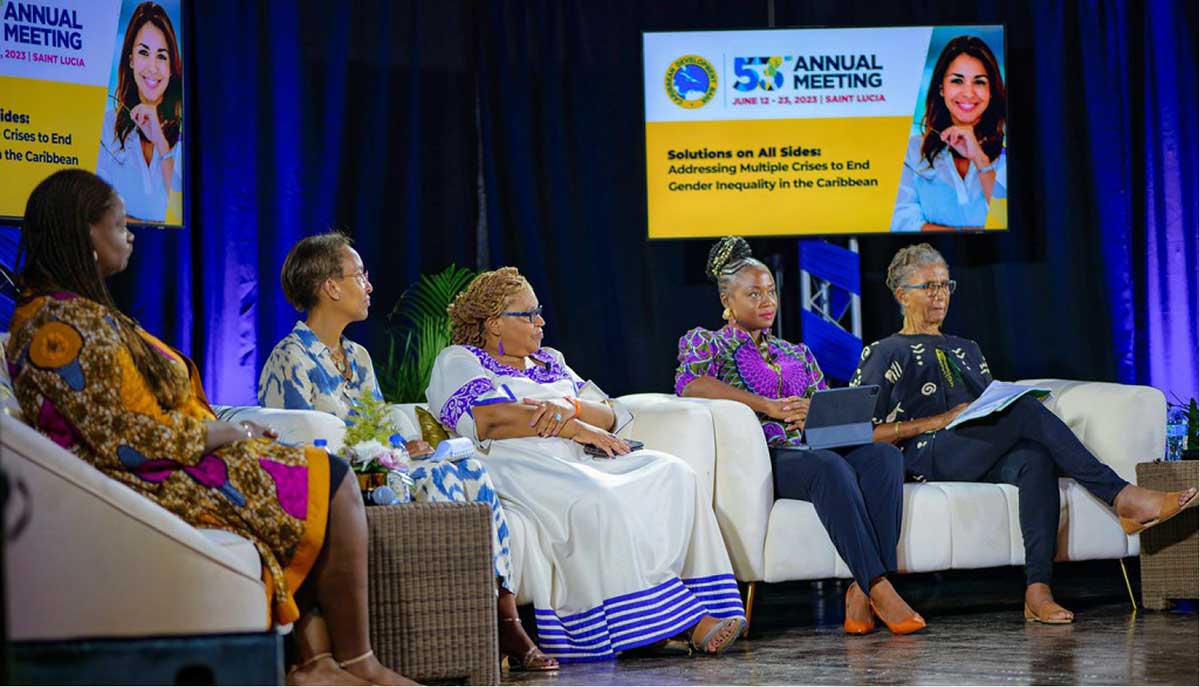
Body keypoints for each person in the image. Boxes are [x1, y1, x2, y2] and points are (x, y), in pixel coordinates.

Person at [6, 170, 411, 685]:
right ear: (85, 233)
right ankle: (359, 664)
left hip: (169, 459)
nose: (130, 234)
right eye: (119, 224)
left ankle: (320, 663)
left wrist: (230, 434)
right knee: (329, 479)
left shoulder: (79, 312)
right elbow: (116, 438)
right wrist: (215, 435)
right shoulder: (54, 329)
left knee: (307, 476)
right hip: (138, 479)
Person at [851, 243, 1199, 623]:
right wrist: (932, 422)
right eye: (928, 287)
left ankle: (1037, 589)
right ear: (902, 295)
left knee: (1036, 457)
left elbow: (984, 409)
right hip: (927, 452)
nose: (940, 295)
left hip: (973, 447)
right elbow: (855, 431)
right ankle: (1121, 496)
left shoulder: (966, 348)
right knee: (1026, 410)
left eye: (946, 285)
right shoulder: (884, 352)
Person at [258, 233, 557, 671]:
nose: (369, 285)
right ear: (331, 287)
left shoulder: (357, 356)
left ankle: (505, 619)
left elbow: (376, 425)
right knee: (437, 478)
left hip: (380, 469)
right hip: (335, 485)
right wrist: (379, 452)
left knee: (469, 470)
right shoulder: (290, 358)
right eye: (360, 275)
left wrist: (402, 446)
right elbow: (295, 442)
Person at [426, 267, 746, 662]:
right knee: (599, 500)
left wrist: (569, 406)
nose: (540, 321)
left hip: (583, 457)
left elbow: (610, 413)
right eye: (528, 314)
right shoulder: (459, 360)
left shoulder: (550, 361)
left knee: (677, 474)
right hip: (523, 463)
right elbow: (489, 419)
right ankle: (681, 622)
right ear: (494, 324)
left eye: (539, 311)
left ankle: (683, 610)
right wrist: (573, 426)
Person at [675, 236, 924, 636]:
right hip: (766, 456)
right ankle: (879, 586)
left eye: (771, 291)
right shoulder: (708, 342)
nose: (766, 301)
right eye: (753, 294)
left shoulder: (798, 354)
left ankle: (861, 590)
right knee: (827, 467)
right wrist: (767, 406)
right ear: (728, 300)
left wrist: (814, 411)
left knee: (885, 458)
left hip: (811, 444)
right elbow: (692, 386)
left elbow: (822, 408)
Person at [890, 35, 1006, 232]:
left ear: (991, 91)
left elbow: (1006, 217)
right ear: (941, 88)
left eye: (979, 82)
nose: (968, 93)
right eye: (957, 81)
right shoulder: (911, 150)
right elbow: (902, 223)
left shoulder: (1009, 147)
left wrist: (979, 158)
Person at [95, 2, 183, 223]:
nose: (152, 67)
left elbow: (181, 207)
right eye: (144, 52)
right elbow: (98, 211)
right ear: (131, 59)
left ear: (172, 67)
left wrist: (161, 142)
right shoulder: (106, 126)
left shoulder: (189, 130)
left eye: (162, 56)